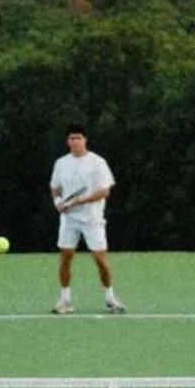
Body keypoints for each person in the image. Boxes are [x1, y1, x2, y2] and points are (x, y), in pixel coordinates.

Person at [50, 126, 124, 314]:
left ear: (85, 140)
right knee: (66, 258)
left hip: (93, 219)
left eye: (79, 138)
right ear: (68, 141)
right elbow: (55, 187)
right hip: (68, 220)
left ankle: (111, 298)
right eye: (72, 138)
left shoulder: (97, 162)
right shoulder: (61, 163)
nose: (75, 141)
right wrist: (58, 201)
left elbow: (104, 191)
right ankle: (65, 300)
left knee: (100, 260)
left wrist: (79, 200)